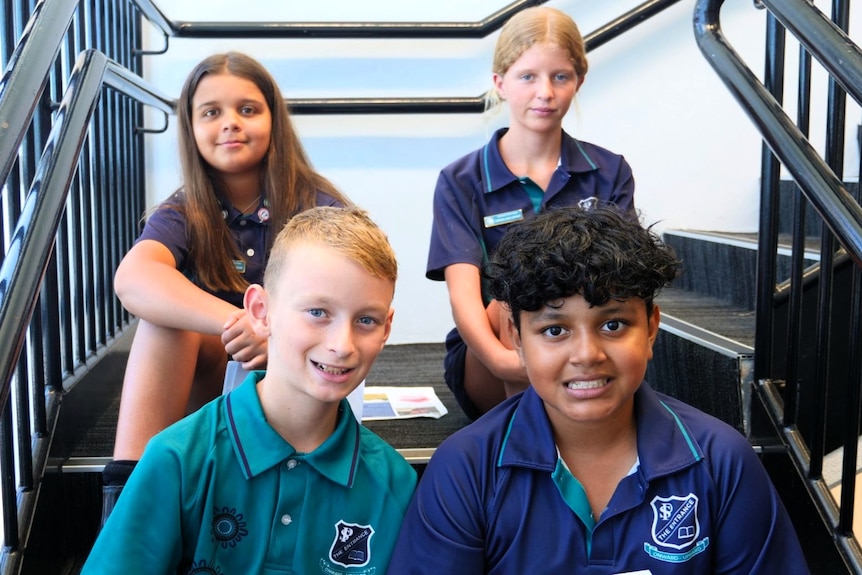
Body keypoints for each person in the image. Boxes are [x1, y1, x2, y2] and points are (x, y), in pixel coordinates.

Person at [388, 206, 810, 574]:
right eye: (555, 330)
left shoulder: (721, 460)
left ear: (651, 329)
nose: (587, 354)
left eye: (613, 324)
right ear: (516, 338)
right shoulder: (467, 468)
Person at [83, 206, 415, 574]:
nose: (342, 344)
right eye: (318, 312)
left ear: (386, 329)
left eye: (366, 320)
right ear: (260, 311)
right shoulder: (177, 459)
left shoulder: (395, 483)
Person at [103, 52, 350, 517]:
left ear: (274, 120)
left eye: (248, 109)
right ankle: (126, 515)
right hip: (220, 379)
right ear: (191, 128)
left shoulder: (318, 204)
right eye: (212, 112)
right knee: (163, 323)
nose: (230, 123)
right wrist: (242, 323)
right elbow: (132, 278)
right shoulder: (182, 212)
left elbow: (354, 290)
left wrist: (275, 335)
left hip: (298, 376)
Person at [426, 6, 635, 420]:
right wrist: (504, 363)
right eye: (528, 77)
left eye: (561, 76)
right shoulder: (460, 180)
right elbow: (463, 297)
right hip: (493, 353)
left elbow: (623, 284)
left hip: (583, 343)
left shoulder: (611, 172)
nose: (546, 92)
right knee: (512, 302)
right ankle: (525, 442)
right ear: (500, 83)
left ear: (579, 80)